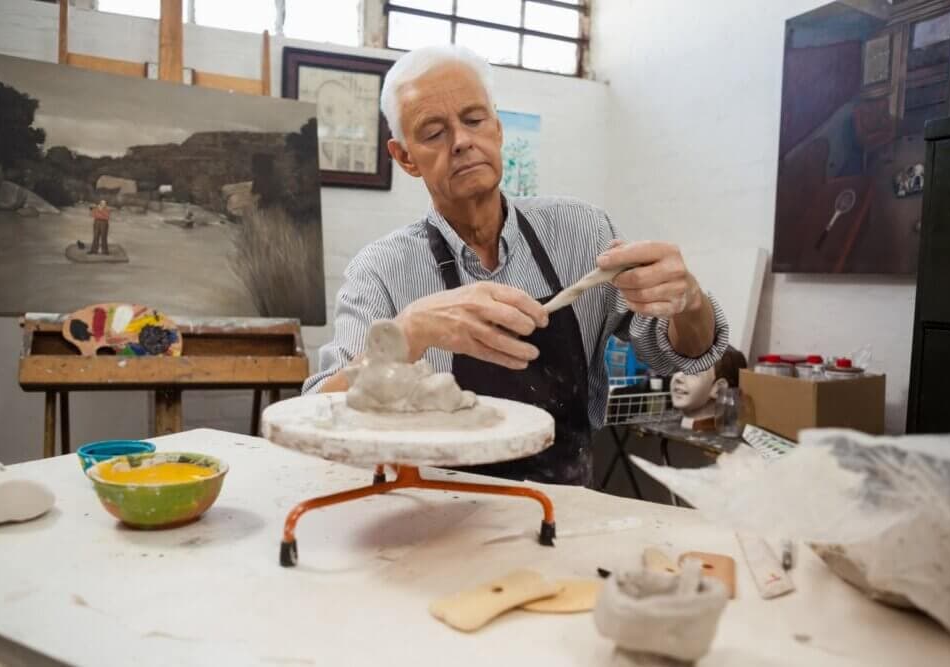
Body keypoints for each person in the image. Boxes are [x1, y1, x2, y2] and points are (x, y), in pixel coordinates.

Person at [303, 45, 729, 486]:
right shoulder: (380, 271)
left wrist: (689, 302)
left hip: (562, 513)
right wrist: (409, 334)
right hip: (434, 518)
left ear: (498, 129)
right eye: (433, 132)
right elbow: (316, 415)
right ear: (405, 157)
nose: (462, 140)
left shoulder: (582, 231)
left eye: (474, 120)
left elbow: (678, 354)